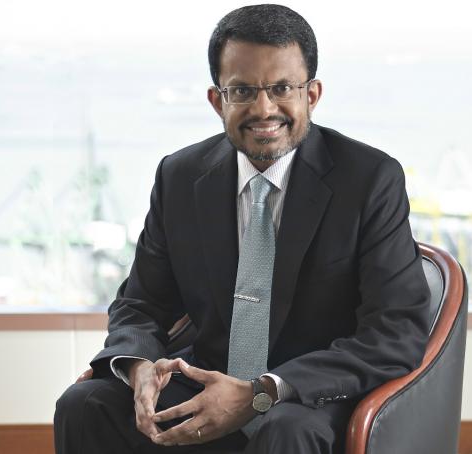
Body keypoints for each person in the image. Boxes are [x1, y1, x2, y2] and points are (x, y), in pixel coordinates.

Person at [54, 4, 430, 454]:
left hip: (308, 397)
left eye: (282, 88)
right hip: (207, 382)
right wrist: (138, 368)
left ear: (312, 95)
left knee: (285, 430)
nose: (264, 108)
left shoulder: (370, 179)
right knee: (85, 404)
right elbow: (141, 303)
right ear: (218, 100)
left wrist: (261, 392)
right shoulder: (180, 176)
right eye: (243, 90)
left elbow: (395, 332)